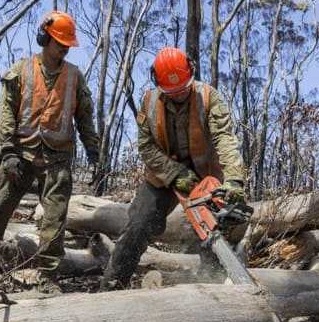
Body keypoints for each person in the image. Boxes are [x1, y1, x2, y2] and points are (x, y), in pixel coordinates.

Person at [0, 11, 99, 293]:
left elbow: (85, 118)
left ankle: (48, 278)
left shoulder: (75, 77)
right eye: (59, 43)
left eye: (67, 45)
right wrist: (8, 151)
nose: (63, 49)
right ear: (44, 38)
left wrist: (93, 149)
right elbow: (6, 114)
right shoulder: (21, 71)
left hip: (58, 158)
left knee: (54, 222)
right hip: (20, 153)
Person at [100, 47, 246, 290]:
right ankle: (112, 286)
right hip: (162, 175)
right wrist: (174, 173)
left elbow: (225, 139)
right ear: (159, 83)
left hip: (205, 174)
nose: (178, 95)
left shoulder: (209, 97)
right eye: (172, 92)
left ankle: (212, 287)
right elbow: (146, 148)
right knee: (139, 223)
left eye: (182, 90)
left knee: (216, 227)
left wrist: (234, 180)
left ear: (191, 73)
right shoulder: (149, 101)